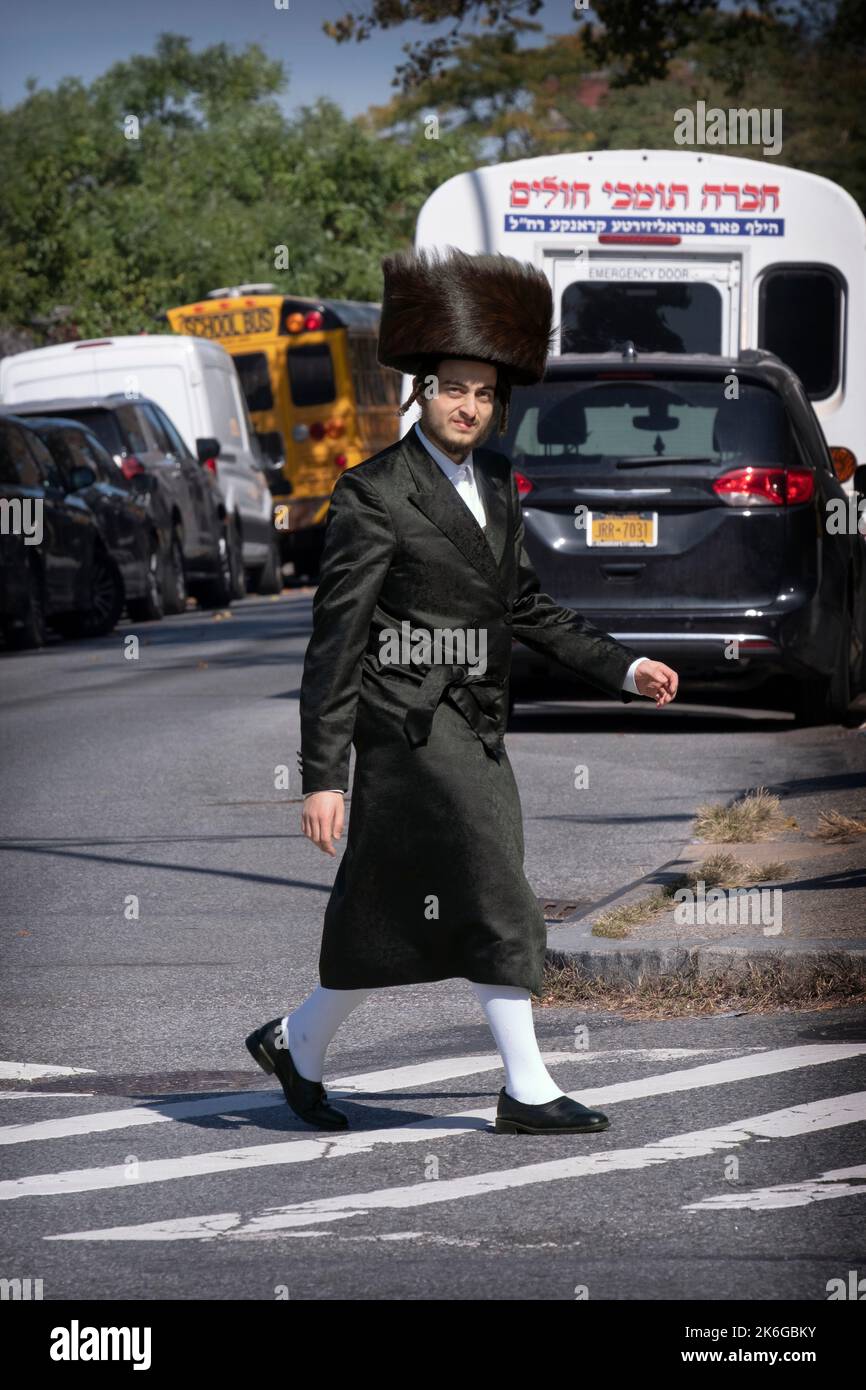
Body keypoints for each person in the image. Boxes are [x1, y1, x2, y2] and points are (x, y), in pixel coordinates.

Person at [246, 247, 678, 1135]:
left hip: (477, 724)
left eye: (483, 393)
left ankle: (298, 1043)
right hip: (409, 729)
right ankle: (526, 1088)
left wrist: (623, 667)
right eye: (452, 389)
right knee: (494, 888)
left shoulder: (498, 481)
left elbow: (522, 605)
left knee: (388, 908)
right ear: (420, 392)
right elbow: (336, 643)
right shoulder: (373, 493)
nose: (468, 406)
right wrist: (323, 774)